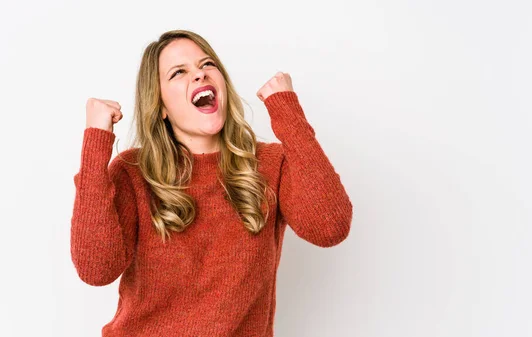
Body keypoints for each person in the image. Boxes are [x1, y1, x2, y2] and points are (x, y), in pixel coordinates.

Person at [70, 29, 353, 336]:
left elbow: (330, 228)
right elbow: (96, 269)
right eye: (179, 72)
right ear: (161, 106)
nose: (199, 75)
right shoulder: (133, 172)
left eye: (207, 65)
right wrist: (96, 143)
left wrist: (286, 110)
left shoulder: (271, 165)